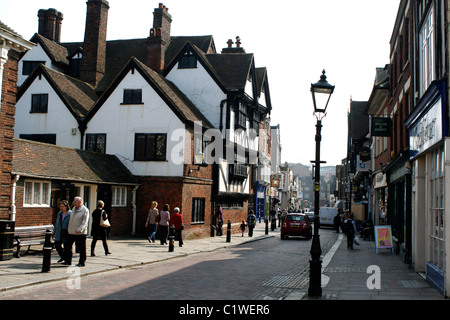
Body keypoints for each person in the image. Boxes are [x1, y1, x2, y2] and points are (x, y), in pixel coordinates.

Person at [65, 196, 89, 267]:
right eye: (74, 201)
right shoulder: (73, 209)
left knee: (81, 248)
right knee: (67, 246)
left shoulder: (85, 210)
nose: (74, 203)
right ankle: (68, 260)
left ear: (80, 202)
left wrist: (80, 229)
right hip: (71, 231)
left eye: (75, 201)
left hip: (80, 233)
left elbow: (85, 222)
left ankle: (82, 262)